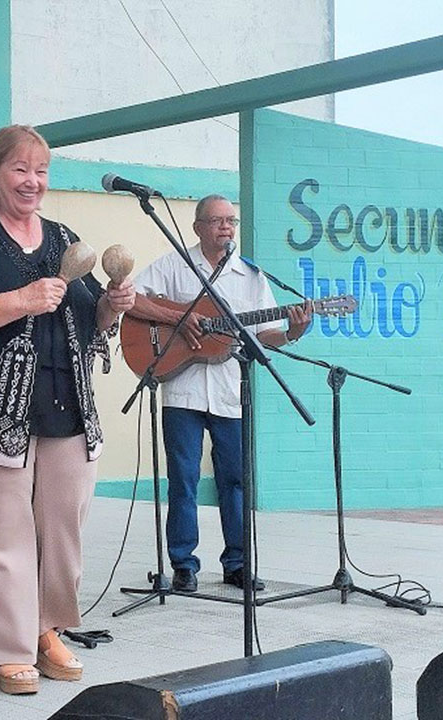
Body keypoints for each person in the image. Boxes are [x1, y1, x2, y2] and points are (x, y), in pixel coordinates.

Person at [0, 125, 135, 695]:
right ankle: (8, 649)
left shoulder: (64, 237)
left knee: (62, 532)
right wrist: (20, 300)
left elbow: (88, 321)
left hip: (67, 405)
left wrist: (112, 307)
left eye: (40, 171)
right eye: (20, 169)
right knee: (3, 538)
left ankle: (45, 630)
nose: (32, 181)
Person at [129, 194, 312, 595]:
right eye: (217, 221)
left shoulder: (250, 275)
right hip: (182, 390)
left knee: (235, 481)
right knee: (183, 480)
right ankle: (183, 564)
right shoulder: (174, 264)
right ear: (198, 227)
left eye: (231, 221)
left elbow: (264, 334)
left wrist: (292, 332)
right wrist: (180, 317)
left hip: (231, 391)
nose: (226, 227)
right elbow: (133, 299)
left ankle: (238, 564)